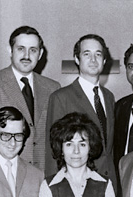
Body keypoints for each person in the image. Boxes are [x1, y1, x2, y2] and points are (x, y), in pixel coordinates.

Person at [0, 26, 61, 170]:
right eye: (21, 48)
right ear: (10, 50)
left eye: (33, 50)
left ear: (40, 54)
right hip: (7, 172)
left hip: (45, 174)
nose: (27, 55)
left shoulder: (53, 87)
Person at [46, 34, 117, 186]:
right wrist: (55, 189)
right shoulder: (61, 97)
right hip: (76, 185)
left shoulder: (109, 97)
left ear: (104, 61)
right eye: (87, 54)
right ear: (77, 59)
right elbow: (53, 151)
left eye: (98, 54)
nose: (93, 60)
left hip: (108, 183)